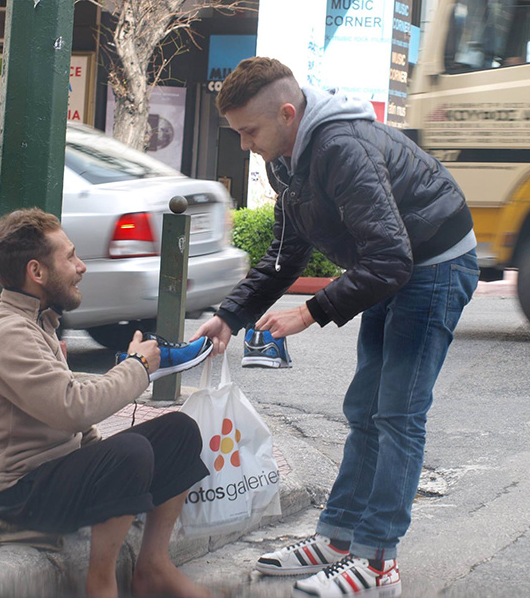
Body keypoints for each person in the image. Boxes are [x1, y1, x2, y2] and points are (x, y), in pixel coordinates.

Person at [191, 57, 480, 597]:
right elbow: (286, 253)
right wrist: (231, 315)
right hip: (394, 265)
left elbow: (391, 261)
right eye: (237, 133)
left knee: (397, 413)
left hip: (435, 264)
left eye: (249, 131)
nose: (244, 145)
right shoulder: (286, 158)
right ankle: (339, 538)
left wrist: (309, 312)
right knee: (363, 410)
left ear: (286, 112)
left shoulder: (342, 147)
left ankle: (377, 564)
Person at [0, 208, 211, 598]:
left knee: (178, 431)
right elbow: (73, 407)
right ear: (37, 272)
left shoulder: (38, 323)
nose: (81, 267)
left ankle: (153, 566)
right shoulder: (9, 333)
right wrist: (138, 366)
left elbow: (73, 423)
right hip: (15, 494)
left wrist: (108, 466)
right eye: (70, 257)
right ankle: (101, 582)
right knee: (131, 452)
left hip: (52, 476)